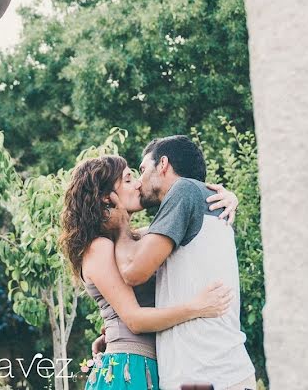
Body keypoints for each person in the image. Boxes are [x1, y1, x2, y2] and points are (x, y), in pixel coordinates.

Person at [60, 154, 240, 390]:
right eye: (127, 179)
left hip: (155, 365)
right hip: (130, 368)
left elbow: (183, 221)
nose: (137, 184)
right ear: (107, 197)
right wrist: (198, 307)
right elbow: (134, 320)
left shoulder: (137, 239)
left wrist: (229, 198)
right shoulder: (99, 247)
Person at [113, 135, 256, 390]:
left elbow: (134, 273)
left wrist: (120, 222)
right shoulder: (200, 203)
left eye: (143, 170)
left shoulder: (184, 191)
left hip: (205, 375)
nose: (138, 182)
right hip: (221, 371)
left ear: (164, 164)